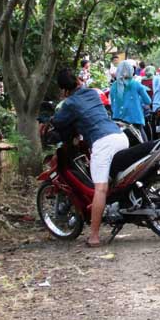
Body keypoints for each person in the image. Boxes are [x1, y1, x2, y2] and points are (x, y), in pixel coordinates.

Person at [52, 68, 129, 247]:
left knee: (100, 189)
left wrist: (49, 121)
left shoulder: (69, 103)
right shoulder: (93, 93)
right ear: (79, 81)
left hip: (103, 143)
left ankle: (93, 236)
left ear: (63, 90)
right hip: (120, 137)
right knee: (116, 179)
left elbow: (59, 121)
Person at [110, 61, 151, 141]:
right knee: (144, 141)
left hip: (118, 119)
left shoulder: (114, 85)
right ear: (131, 71)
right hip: (135, 119)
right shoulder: (136, 84)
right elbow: (148, 101)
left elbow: (112, 102)